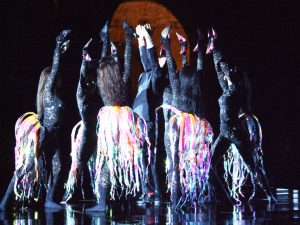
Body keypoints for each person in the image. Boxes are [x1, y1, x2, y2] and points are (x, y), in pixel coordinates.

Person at [0, 30, 71, 210]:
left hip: (53, 136)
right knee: (26, 167)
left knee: (58, 167)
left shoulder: (54, 94)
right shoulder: (48, 94)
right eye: (56, 77)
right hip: (44, 133)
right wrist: (57, 48)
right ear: (49, 81)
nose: (59, 78)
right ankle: (4, 202)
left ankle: (49, 200)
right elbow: (55, 70)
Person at [86, 21, 150, 212]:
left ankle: (102, 203)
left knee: (107, 158)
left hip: (109, 120)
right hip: (124, 118)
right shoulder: (122, 78)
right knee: (127, 156)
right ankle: (135, 193)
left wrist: (105, 40)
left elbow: (102, 64)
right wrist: (128, 36)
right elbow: (128, 62)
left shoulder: (102, 81)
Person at [207, 28, 276, 204]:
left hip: (235, 132)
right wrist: (214, 45)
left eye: (229, 71)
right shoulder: (226, 89)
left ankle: (269, 194)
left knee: (252, 166)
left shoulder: (236, 90)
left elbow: (222, 67)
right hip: (224, 132)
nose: (225, 74)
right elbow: (218, 69)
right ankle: (226, 198)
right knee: (210, 164)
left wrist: (217, 46)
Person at [160, 26, 213, 208]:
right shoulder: (198, 90)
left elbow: (170, 65)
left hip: (177, 129)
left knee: (175, 165)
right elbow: (199, 70)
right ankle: (195, 197)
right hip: (195, 129)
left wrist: (167, 44)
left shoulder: (176, 88)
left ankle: (176, 202)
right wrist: (196, 46)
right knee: (194, 163)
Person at [133, 24, 163, 205]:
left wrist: (147, 35)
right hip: (138, 120)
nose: (159, 59)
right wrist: (140, 37)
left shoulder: (157, 76)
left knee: (149, 157)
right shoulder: (146, 74)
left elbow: (151, 58)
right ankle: (148, 190)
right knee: (141, 157)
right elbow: (145, 58)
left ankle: (154, 191)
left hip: (149, 121)